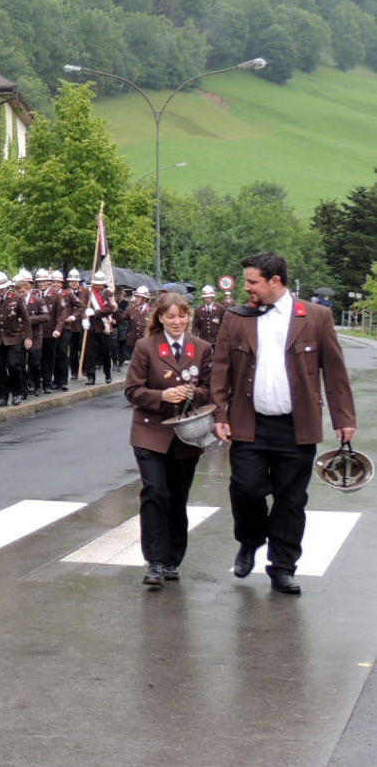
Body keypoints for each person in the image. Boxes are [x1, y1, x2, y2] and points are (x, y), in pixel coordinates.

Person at [210, 251, 357, 596]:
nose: (247, 287)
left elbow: (335, 372)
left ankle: (283, 568)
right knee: (245, 490)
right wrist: (220, 414)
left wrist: (344, 418)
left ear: (275, 281)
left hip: (296, 427)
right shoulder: (237, 317)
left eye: (253, 281)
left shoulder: (316, 317)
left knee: (291, 500)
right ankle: (250, 541)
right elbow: (220, 368)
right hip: (250, 423)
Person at [124, 293, 213, 588]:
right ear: (160, 317)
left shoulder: (201, 348)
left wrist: (191, 393)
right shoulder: (146, 347)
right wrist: (162, 395)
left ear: (189, 316)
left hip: (187, 434)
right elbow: (133, 390)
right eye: (171, 316)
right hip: (150, 431)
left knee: (177, 496)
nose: (177, 322)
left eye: (182, 316)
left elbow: (211, 389)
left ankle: (172, 559)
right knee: (155, 492)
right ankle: (154, 561)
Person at [0, 271, 30, 406]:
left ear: (7, 287)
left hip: (13, 338)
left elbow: (26, 319)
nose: (1, 290)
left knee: (13, 365)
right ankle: (2, 396)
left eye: (3, 287)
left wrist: (28, 337)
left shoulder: (16, 298)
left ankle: (16, 393)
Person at [79, 271, 116, 385]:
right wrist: (84, 318)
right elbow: (82, 306)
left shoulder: (108, 293)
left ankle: (108, 374)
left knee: (105, 352)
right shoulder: (87, 292)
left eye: (101, 284)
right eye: (97, 284)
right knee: (90, 352)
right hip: (90, 327)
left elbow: (111, 308)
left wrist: (96, 312)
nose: (99, 286)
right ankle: (91, 376)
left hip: (104, 326)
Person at [16, 269, 49, 395]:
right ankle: (24, 388)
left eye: (23, 292)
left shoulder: (38, 301)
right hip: (20, 336)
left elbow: (46, 316)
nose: (21, 294)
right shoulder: (15, 301)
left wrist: (28, 320)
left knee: (34, 363)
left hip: (35, 336)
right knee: (20, 364)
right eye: (18, 292)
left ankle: (37, 384)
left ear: (29, 289)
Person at [44, 268, 71, 391]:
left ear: (62, 283)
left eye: (58, 282)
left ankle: (63, 381)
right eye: (54, 282)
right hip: (51, 329)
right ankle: (55, 381)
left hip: (64, 328)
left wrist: (73, 316)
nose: (56, 284)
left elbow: (80, 305)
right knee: (53, 355)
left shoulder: (67, 294)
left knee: (62, 353)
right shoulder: (48, 294)